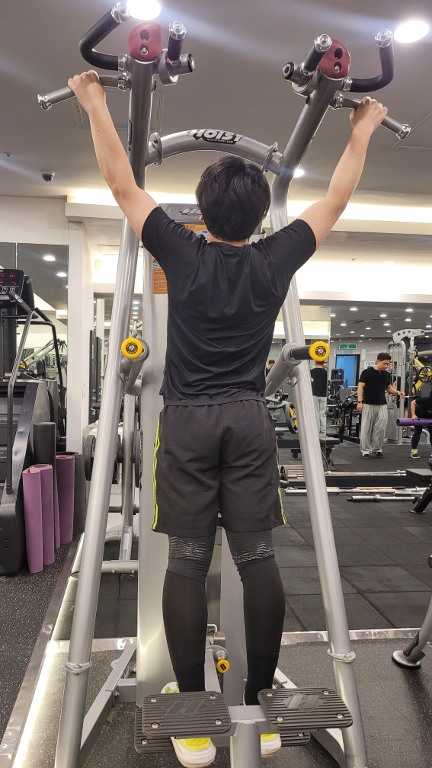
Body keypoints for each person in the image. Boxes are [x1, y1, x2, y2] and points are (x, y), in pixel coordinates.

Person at [69, 70, 387, 768]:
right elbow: (336, 197)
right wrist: (361, 129)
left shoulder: (180, 251)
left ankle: (191, 720)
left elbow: (121, 182)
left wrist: (93, 99)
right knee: (257, 557)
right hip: (247, 419)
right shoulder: (277, 258)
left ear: (204, 213)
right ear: (259, 215)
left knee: (187, 562)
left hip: (186, 421)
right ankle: (261, 711)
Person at [357, 353, 404, 458]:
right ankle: (366, 450)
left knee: (381, 428)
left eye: (388, 364)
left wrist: (397, 392)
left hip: (382, 404)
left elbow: (388, 388)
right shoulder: (366, 373)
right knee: (367, 428)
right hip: (368, 404)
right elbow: (360, 387)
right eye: (384, 364)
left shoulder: (386, 375)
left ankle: (377, 449)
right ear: (378, 361)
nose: (386, 366)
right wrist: (359, 402)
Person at [410, 392, 432, 459]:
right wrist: (413, 415)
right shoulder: (426, 400)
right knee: (417, 431)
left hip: (430, 416)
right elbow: (413, 402)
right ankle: (413, 451)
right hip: (419, 415)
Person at [311, 360, 328, 438]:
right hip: (324, 395)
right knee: (323, 413)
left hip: (314, 394)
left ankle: (316, 430)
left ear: (315, 363)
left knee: (316, 413)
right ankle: (323, 430)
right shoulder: (326, 372)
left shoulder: (311, 372)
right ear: (323, 364)